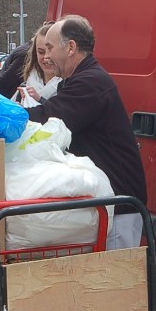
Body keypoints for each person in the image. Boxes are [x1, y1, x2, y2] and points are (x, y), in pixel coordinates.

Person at [26, 15, 147, 249]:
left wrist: (1, 115)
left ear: (71, 47)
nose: (47, 56)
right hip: (107, 202)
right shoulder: (80, 80)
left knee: (114, 278)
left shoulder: (90, 83)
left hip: (118, 205)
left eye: (50, 48)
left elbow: (48, 120)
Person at [19, 22, 61, 105]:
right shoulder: (26, 84)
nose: (46, 56)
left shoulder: (70, 86)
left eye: (51, 50)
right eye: (41, 52)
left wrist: (39, 100)